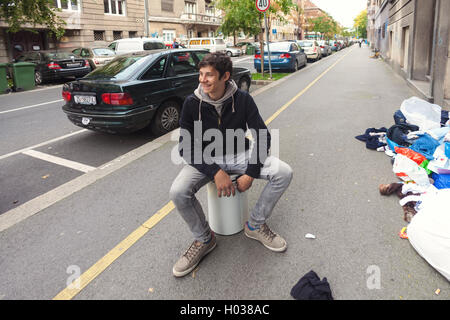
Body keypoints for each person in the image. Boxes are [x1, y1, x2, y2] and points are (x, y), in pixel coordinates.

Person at [169, 52, 293, 278]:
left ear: (225, 76)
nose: (203, 80)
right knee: (178, 191)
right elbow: (185, 147)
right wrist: (215, 172)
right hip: (206, 159)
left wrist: (251, 173)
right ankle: (205, 239)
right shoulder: (191, 103)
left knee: (284, 172)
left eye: (209, 75)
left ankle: (255, 225)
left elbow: (262, 136)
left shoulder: (243, 99)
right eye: (200, 74)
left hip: (240, 154)